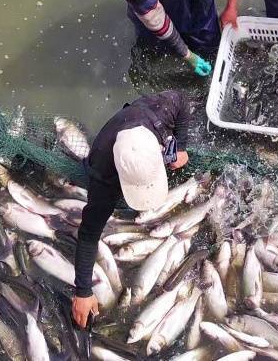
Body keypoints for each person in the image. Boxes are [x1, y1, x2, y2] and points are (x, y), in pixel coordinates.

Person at [71, 90, 190, 328]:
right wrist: (83, 291)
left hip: (143, 123)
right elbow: (88, 234)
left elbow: (182, 100)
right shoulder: (103, 173)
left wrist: (181, 146)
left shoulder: (161, 108)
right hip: (109, 159)